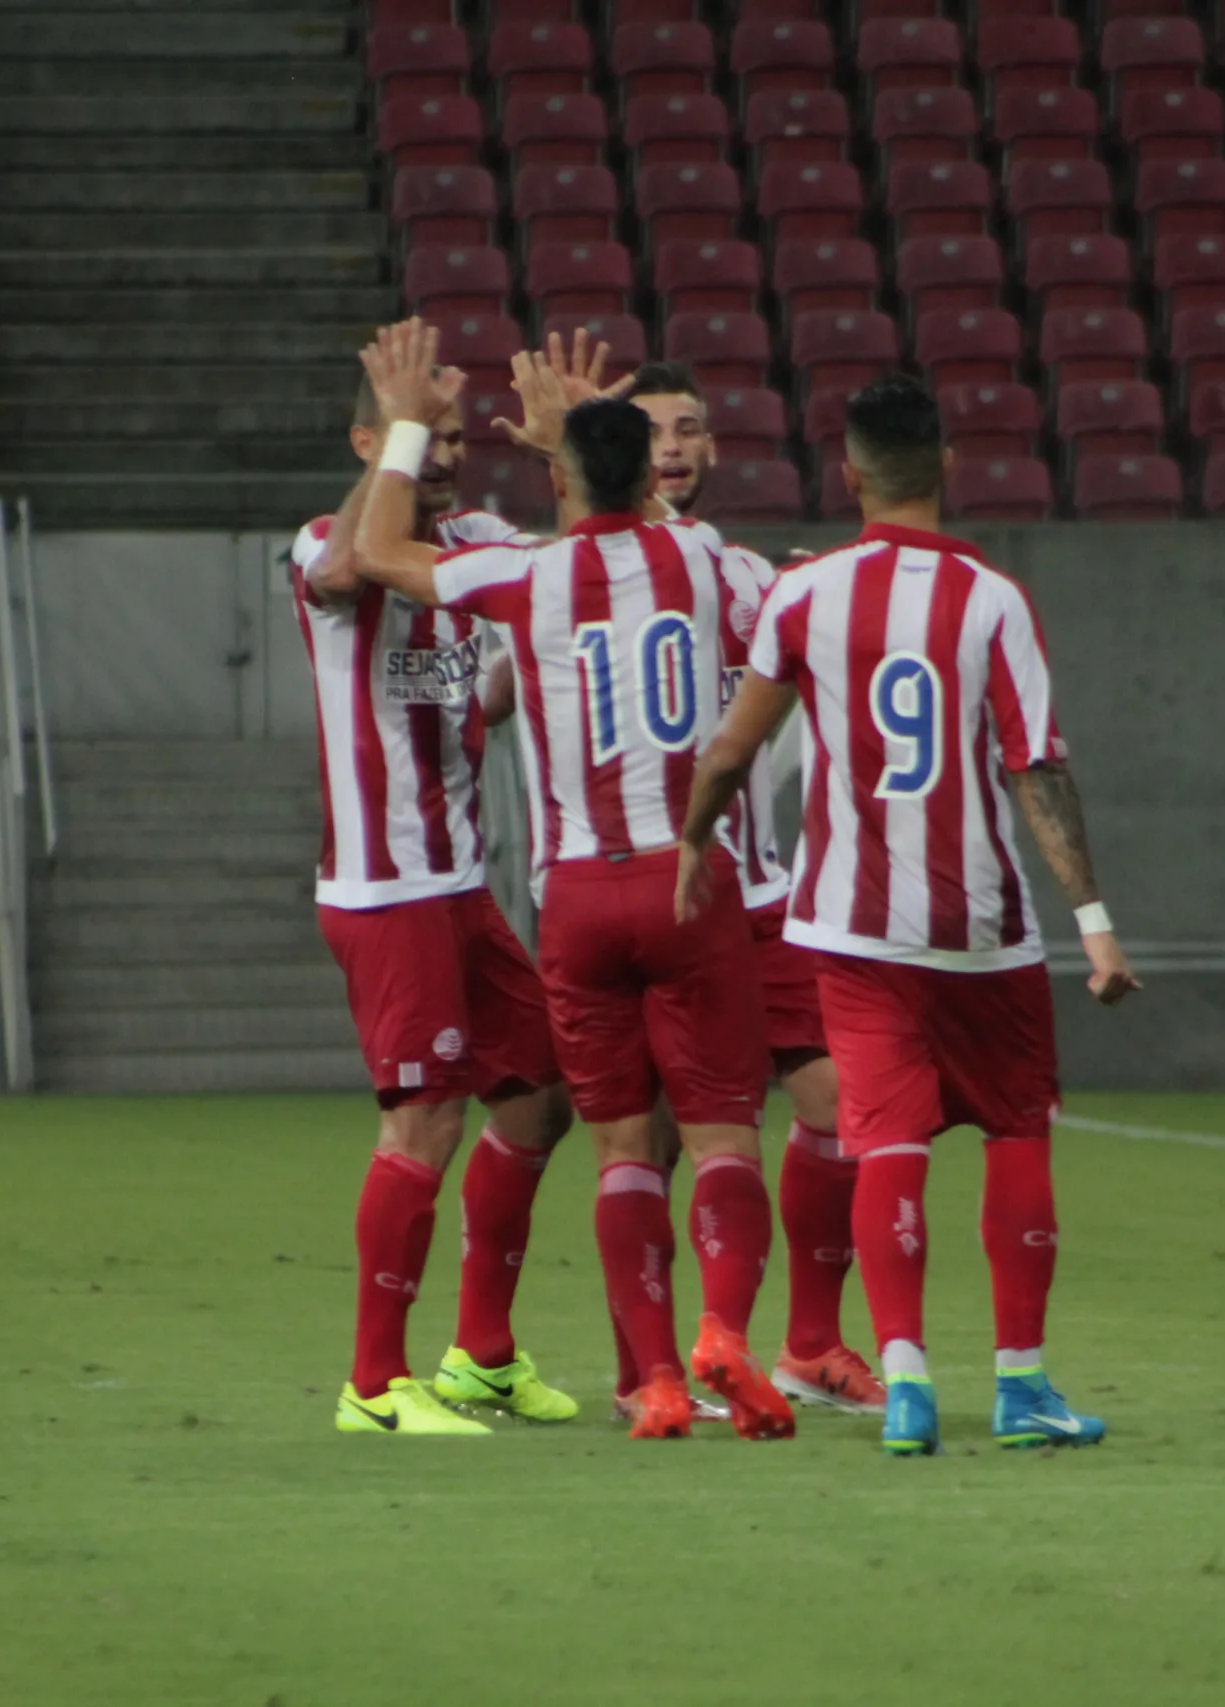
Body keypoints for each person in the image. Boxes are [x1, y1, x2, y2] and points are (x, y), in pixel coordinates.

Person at [674, 374, 1140, 1457]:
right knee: (1017, 1131)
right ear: (946, 468)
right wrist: (1096, 918)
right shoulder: (994, 600)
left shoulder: (804, 595)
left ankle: (905, 1383)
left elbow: (733, 748)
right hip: (978, 927)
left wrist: (694, 843)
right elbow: (1037, 767)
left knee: (884, 1142)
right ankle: (1020, 1386)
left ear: (850, 476)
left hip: (847, 926)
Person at [347, 319, 792, 1443]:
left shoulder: (523, 573)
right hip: (686, 881)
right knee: (725, 1137)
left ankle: (640, 1380)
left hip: (574, 900)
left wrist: (408, 438)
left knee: (608, 1144)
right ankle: (724, 1338)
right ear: (650, 476)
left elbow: (393, 557)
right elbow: (746, 600)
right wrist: (572, 447)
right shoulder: (701, 557)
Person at [290, 351, 579, 1437]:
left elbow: (588, 572)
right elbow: (344, 574)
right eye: (424, 436)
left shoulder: (475, 550)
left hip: (460, 885)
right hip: (384, 890)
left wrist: (568, 449)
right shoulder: (322, 541)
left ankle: (483, 1357)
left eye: (458, 438)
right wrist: (404, 426)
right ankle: (372, 1385)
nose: (449, 457)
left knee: (539, 1094)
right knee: (424, 1118)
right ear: (369, 444)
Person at [622, 360, 884, 1417]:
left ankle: (808, 1345)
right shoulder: (580, 573)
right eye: (650, 435)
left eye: (690, 429)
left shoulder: (745, 577)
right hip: (648, 893)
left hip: (763, 897)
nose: (674, 448)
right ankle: (644, 1369)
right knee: (648, 1139)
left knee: (840, 1108)